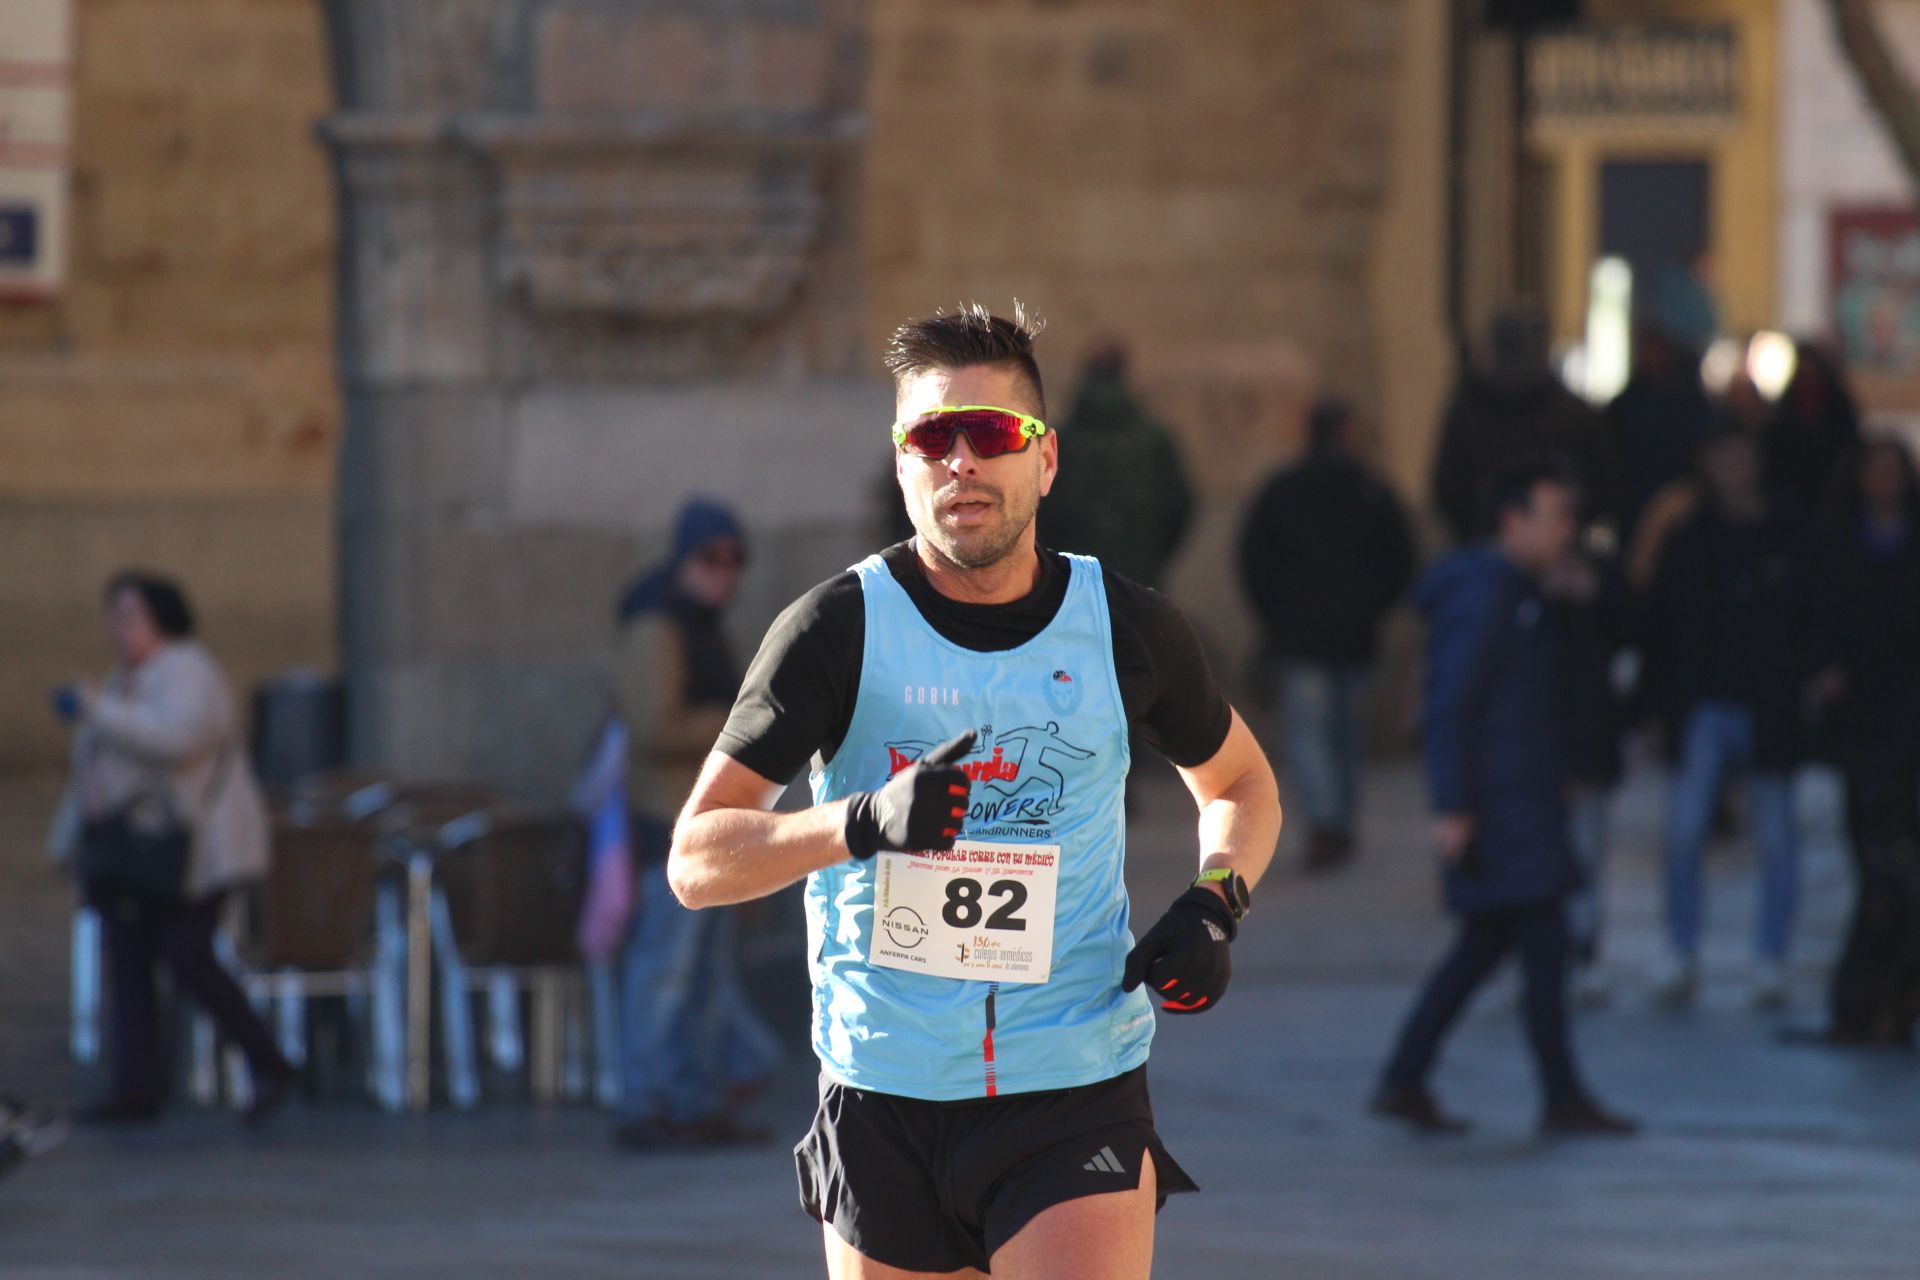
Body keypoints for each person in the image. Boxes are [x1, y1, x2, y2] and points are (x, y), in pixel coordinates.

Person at [669, 304, 1280, 1279]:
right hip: (883, 1091)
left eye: (991, 433)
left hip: (1072, 1081)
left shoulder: (1124, 626)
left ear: (1045, 460)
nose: (961, 461)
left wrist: (1218, 900)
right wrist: (859, 823)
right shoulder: (834, 629)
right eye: (931, 437)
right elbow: (696, 861)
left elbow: (1241, 780)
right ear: (901, 465)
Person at [1371, 466, 1635, 1138]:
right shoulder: (1490, 595)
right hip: (1502, 805)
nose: (1566, 530)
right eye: (1554, 515)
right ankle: (1557, 1095)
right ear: (1512, 521)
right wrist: (1453, 805)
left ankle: (1409, 1076)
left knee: (1493, 946)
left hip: (1521, 799)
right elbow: (1453, 704)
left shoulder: (1524, 592)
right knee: (1533, 944)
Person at [45, 572, 295, 1125]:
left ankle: (267, 1059)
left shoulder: (189, 671)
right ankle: (136, 1090)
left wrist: (97, 709)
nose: (118, 629)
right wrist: (67, 842)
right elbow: (93, 774)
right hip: (133, 852)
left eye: (129, 616)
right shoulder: (122, 682)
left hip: (194, 851)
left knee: (189, 958)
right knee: (129, 959)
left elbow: (175, 742)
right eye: (114, 616)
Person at [609, 499, 781, 1150]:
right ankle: (644, 1102)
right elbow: (654, 727)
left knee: (706, 978)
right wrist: (738, 724)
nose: (724, 574)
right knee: (665, 974)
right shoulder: (656, 623)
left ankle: (691, 1101)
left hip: (710, 831)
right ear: (683, 558)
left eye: (735, 561)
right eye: (711, 558)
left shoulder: (700, 625)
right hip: (667, 827)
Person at [1640, 427, 1809, 1008]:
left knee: (1777, 838)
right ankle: (1680, 948)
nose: (1735, 467)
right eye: (1724, 457)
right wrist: (1657, 708)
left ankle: (1770, 957)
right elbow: (1660, 626)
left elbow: (1807, 620)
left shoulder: (1787, 534)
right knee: (1686, 832)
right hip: (1704, 702)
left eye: (1744, 456)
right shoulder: (1688, 536)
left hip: (1768, 704)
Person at [1239, 397, 1416, 870]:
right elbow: (1401, 558)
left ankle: (1325, 821)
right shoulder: (1371, 492)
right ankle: (1339, 819)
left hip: (1300, 636)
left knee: (1310, 734)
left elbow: (1254, 559)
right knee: (1345, 735)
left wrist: (1275, 615)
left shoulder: (1283, 490)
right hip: (1353, 635)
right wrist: (1372, 609)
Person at [1806, 438, 1920, 1045]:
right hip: (1864, 722)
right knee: (1878, 864)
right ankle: (1872, 993)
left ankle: (1891, 993)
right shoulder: (1838, 544)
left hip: (1908, 715)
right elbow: (1818, 616)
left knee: (1902, 866)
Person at [1431, 305, 1616, 543]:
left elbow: (1447, 489)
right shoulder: (1573, 415)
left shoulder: (1467, 413)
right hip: (1519, 551)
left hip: (1490, 546)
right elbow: (1604, 489)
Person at [1037, 343, 1194, 589]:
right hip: (1138, 577)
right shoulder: (1153, 440)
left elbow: (1041, 507)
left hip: (1073, 579)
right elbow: (1179, 505)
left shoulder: (1062, 442)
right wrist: (1154, 556)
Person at [1763, 341, 1862, 529]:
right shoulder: (1784, 409)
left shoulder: (1839, 406)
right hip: (1792, 493)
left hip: (1834, 489)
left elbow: (1850, 445)